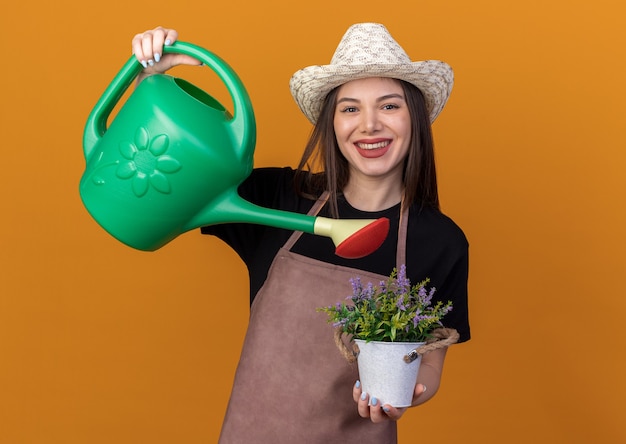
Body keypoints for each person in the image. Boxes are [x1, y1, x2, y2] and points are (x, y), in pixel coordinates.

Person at [131, 22, 470, 443]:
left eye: (389, 106)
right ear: (331, 124)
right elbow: (166, 184)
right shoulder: (276, 198)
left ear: (414, 118)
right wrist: (151, 78)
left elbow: (431, 362)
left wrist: (409, 396)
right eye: (349, 108)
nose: (368, 125)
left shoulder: (440, 241)